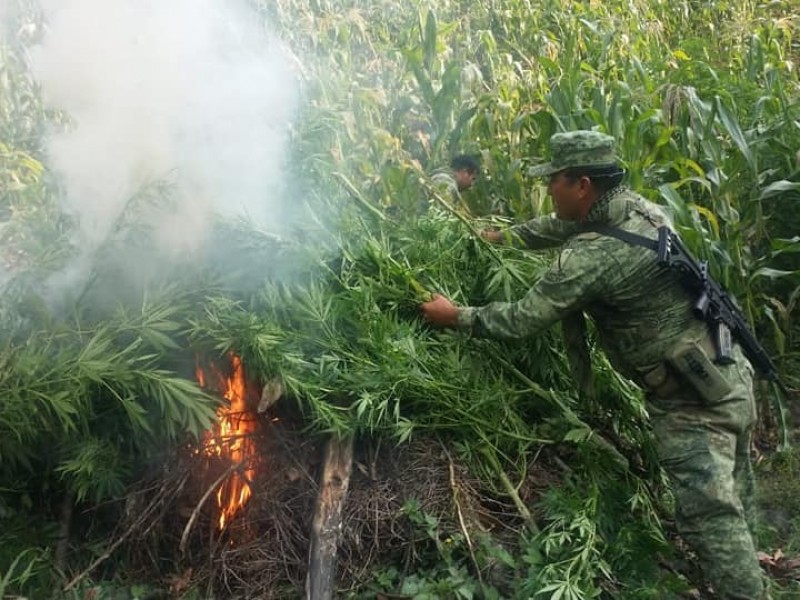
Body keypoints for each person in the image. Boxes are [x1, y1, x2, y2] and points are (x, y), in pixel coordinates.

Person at [420, 130, 767, 599]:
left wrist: (455, 316)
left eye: (554, 181)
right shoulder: (636, 210)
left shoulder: (593, 257)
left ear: (581, 184)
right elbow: (560, 226)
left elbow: (524, 318)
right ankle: (755, 567)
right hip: (729, 370)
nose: (548, 189)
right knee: (735, 492)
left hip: (692, 400)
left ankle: (745, 590)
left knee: (708, 518)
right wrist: (500, 236)